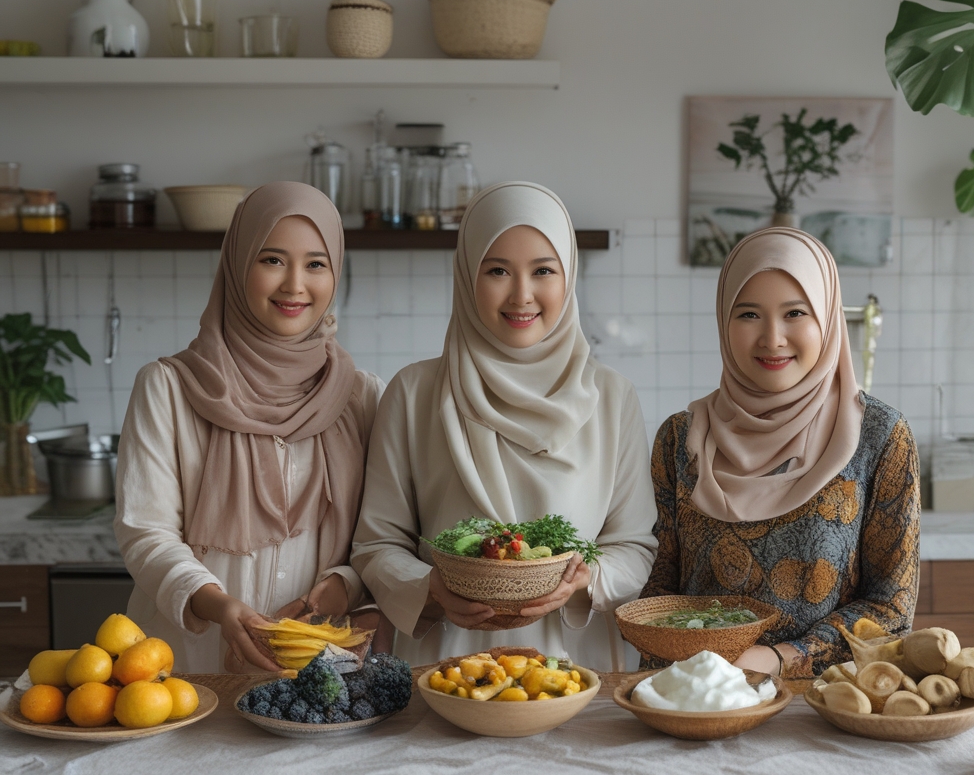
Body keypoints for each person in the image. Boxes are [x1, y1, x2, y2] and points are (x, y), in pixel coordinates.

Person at [350, 182, 657, 670]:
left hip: (578, 664)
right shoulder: (414, 392)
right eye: (497, 271)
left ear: (568, 276)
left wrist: (587, 580)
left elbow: (635, 544)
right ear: (467, 275)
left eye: (543, 271)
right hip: (448, 660)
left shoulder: (612, 397)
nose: (522, 295)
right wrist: (428, 587)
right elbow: (377, 543)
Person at [114, 182, 383, 673]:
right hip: (187, 666)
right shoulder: (169, 387)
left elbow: (381, 536)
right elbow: (145, 532)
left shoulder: (361, 397)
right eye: (272, 260)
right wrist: (217, 605)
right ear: (237, 265)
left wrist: (346, 583)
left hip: (314, 663)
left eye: (316, 264)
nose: (295, 285)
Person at [640, 227, 919, 678]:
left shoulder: (880, 437)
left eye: (794, 313)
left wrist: (778, 660)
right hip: (689, 699)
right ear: (723, 321)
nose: (772, 338)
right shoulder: (680, 439)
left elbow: (891, 607)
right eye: (748, 314)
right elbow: (658, 585)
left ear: (827, 319)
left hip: (824, 707)